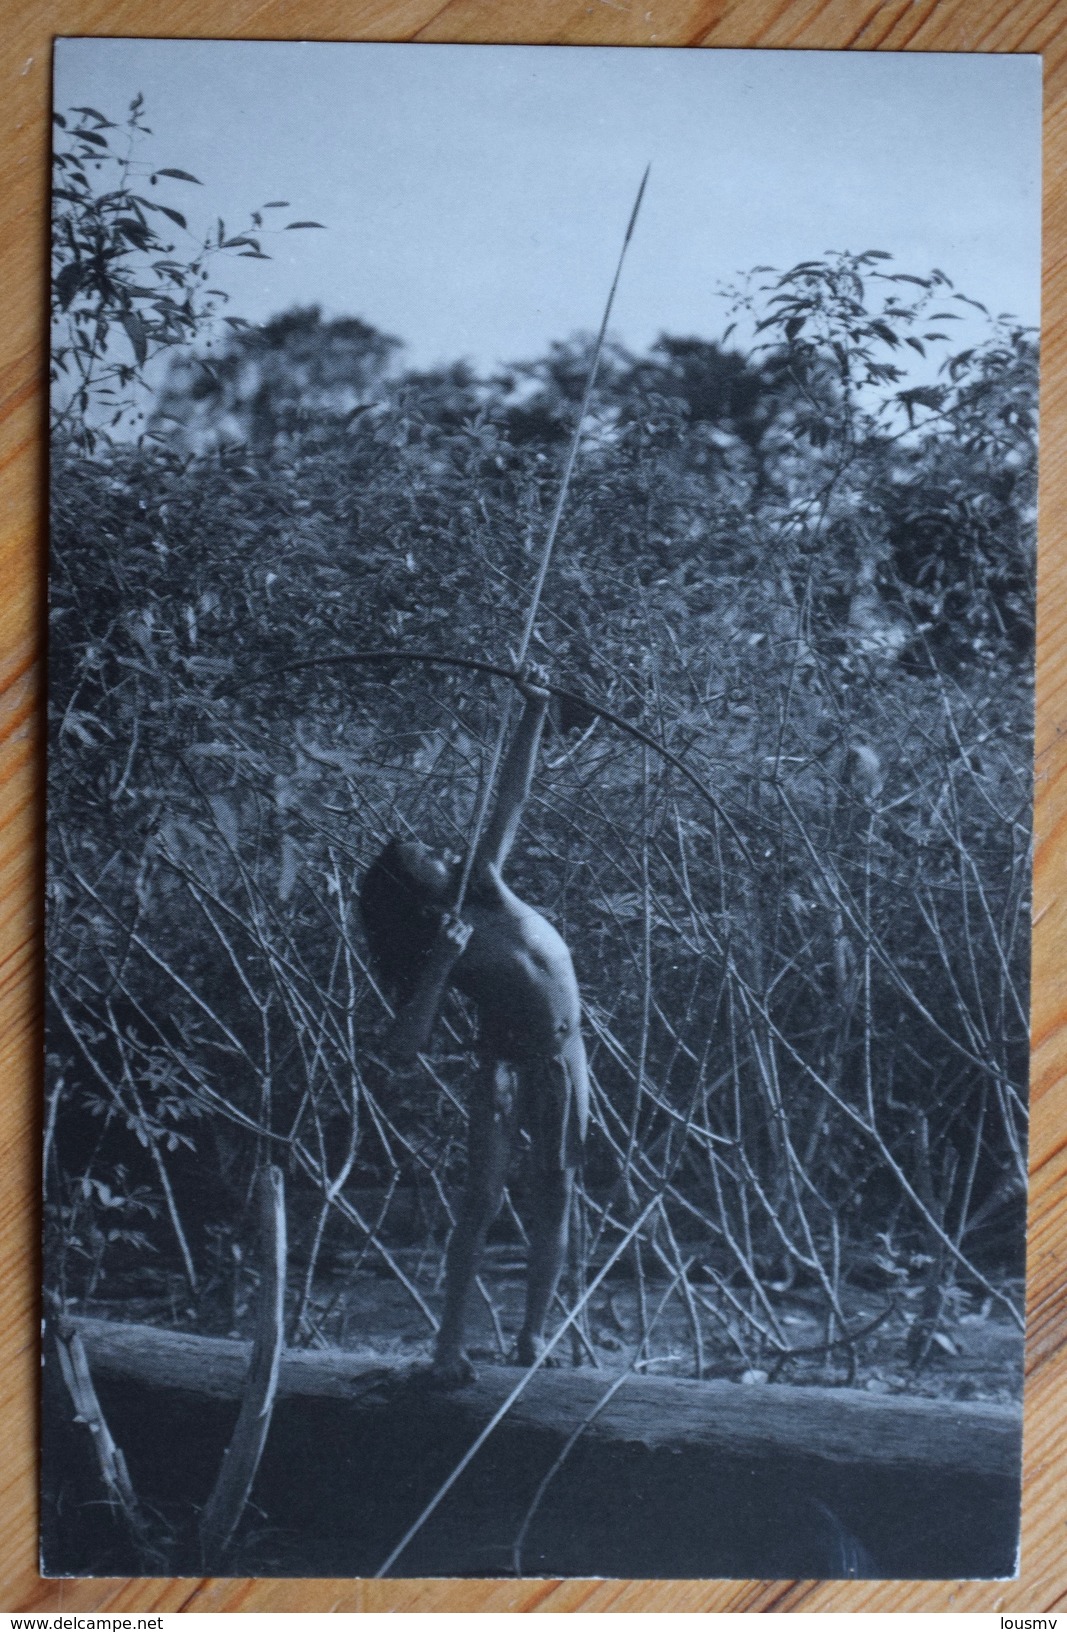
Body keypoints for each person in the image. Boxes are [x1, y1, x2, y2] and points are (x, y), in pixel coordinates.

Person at [359, 667, 589, 1385]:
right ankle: (447, 1349)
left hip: (562, 1060)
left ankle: (530, 1338)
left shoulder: (484, 882)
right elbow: (402, 1050)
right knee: (481, 1201)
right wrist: (440, 966)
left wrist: (534, 712)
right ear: (415, 894)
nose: (437, 849)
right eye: (421, 856)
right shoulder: (443, 941)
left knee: (553, 1195)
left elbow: (510, 796)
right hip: (502, 1066)